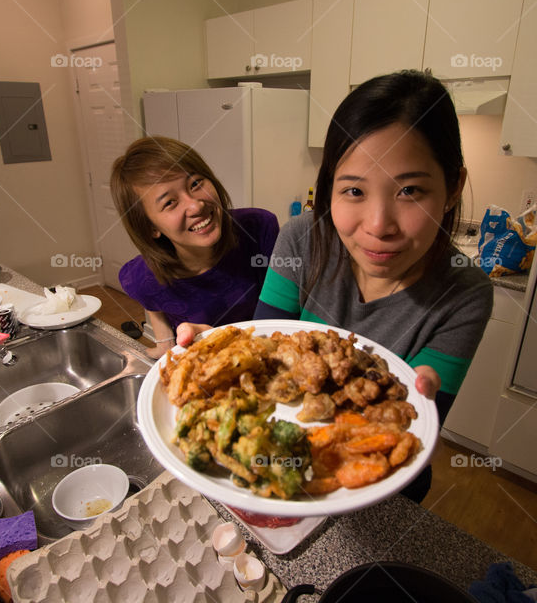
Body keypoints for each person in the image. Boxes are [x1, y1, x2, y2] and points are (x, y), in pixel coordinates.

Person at [176, 71, 494, 502]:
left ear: (453, 187)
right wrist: (215, 357)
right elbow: (265, 352)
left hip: (387, 492)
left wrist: (424, 404)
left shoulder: (465, 293)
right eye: (354, 191)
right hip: (272, 478)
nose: (379, 226)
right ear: (329, 188)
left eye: (410, 190)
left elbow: (415, 429)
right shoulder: (301, 239)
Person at [111, 136, 279, 358]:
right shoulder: (142, 276)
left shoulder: (258, 228)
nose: (196, 205)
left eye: (196, 184)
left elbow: (284, 317)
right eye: (170, 202)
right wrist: (165, 343)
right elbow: (150, 299)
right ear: (150, 227)